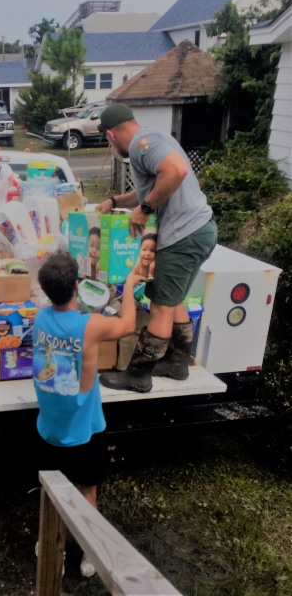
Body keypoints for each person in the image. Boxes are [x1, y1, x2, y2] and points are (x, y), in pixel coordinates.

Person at [32, 251, 143, 577]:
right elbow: (128, 324)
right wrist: (131, 284)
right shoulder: (90, 325)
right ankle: (90, 555)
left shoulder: (40, 317)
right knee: (86, 492)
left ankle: (50, 545)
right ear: (78, 287)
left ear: (45, 288)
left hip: (48, 429)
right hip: (85, 431)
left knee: (51, 493)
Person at [95, 103, 217, 393]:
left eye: (107, 140)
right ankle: (176, 364)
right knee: (173, 300)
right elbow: (150, 187)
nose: (110, 144)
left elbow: (175, 171)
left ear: (111, 133)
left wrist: (145, 210)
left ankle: (139, 374)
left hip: (183, 234)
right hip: (200, 230)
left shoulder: (141, 144)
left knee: (160, 305)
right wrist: (114, 201)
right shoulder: (153, 137)